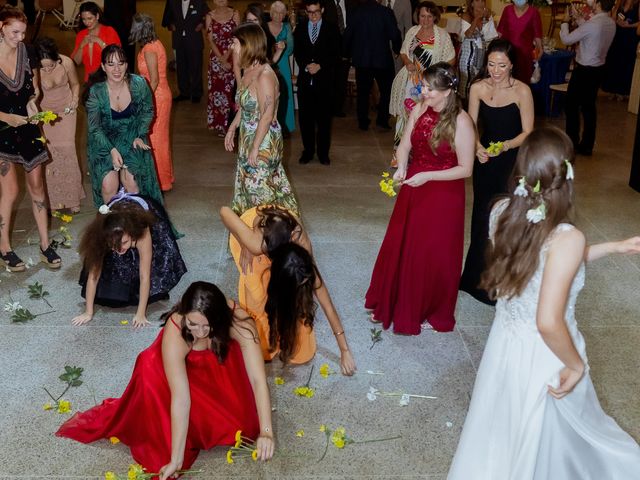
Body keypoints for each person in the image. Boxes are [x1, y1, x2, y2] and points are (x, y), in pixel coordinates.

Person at [447, 127, 640, 479]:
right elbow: (548, 321)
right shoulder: (567, 237)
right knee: (557, 433)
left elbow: (542, 262)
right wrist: (576, 364)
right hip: (545, 355)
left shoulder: (502, 211)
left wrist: (612, 247)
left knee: (504, 428)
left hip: (505, 345)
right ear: (567, 175)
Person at [59, 281, 274, 478]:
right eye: (193, 324)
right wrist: (176, 459)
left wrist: (267, 432)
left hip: (212, 367)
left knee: (245, 426)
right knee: (161, 442)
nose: (200, 332)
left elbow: (257, 378)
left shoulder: (240, 322)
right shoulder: (176, 329)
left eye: (207, 325)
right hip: (163, 373)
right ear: (184, 315)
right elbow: (181, 399)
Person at [365, 62, 475, 334]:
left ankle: (428, 307)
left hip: (444, 193)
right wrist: (402, 167)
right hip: (415, 184)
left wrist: (428, 176)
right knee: (404, 245)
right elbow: (404, 145)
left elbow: (466, 168)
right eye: (423, 86)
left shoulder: (461, 121)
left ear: (447, 91)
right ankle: (395, 300)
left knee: (431, 252)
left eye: (429, 88)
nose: (423, 92)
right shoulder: (420, 109)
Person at [220, 204, 357, 374]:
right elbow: (224, 211)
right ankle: (265, 337)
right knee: (257, 298)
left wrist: (344, 351)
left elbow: (327, 305)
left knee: (294, 306)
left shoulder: (302, 248)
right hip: (258, 236)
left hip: (281, 230)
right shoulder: (256, 245)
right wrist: (243, 241)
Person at [459, 38, 534, 306]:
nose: (496, 70)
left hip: (511, 161)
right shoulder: (478, 88)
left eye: (502, 65)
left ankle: (502, 280)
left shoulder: (522, 91)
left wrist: (504, 146)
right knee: (481, 214)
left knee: (505, 219)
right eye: (491, 64)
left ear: (512, 65)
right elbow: (471, 125)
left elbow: (527, 133)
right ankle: (474, 279)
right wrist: (478, 146)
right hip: (486, 161)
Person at [0, 7, 60, 272]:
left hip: (27, 127)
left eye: (23, 32)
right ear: (1, 26)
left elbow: (32, 91)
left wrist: (33, 106)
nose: (20, 37)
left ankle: (46, 244)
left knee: (37, 185)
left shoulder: (29, 51)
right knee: (10, 190)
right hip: (2, 129)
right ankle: (4, 248)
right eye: (15, 32)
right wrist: (5, 117)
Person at [72, 190, 186, 327]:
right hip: (115, 222)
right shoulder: (101, 236)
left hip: (143, 213)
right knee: (110, 268)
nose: (120, 249)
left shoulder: (142, 232)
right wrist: (88, 312)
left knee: (153, 264)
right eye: (114, 246)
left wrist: (140, 313)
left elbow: (144, 275)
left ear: (132, 235)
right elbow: (93, 277)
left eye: (124, 243)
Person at [225, 22, 299, 216]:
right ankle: (253, 233)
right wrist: (233, 127)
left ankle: (272, 235)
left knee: (261, 192)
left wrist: (256, 147)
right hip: (249, 137)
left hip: (264, 141)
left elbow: (267, 114)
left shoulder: (265, 75)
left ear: (248, 44)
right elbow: (247, 106)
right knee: (248, 189)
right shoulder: (248, 70)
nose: (232, 47)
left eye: (235, 43)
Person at [84, 45, 164, 209]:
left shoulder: (139, 83)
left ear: (127, 65)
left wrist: (140, 133)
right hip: (104, 140)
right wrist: (112, 150)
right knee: (108, 186)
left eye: (121, 63)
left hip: (132, 136)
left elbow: (148, 111)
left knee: (133, 183)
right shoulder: (96, 91)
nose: (116, 69)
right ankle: (111, 227)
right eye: (111, 64)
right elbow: (94, 128)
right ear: (103, 67)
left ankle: (135, 226)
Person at [389, 1, 455, 154]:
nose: (425, 20)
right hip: (411, 82)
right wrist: (407, 62)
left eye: (429, 16)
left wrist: (435, 72)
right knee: (406, 116)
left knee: (427, 117)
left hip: (430, 85)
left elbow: (451, 59)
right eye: (422, 16)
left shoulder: (443, 36)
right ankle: (401, 152)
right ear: (417, 16)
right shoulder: (412, 31)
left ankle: (422, 153)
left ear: (435, 17)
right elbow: (404, 51)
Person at [34, 37, 85, 214]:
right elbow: (34, 95)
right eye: (43, 67)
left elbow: (76, 84)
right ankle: (54, 200)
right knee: (50, 154)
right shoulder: (35, 69)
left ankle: (73, 197)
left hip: (66, 111)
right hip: (47, 114)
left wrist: (75, 99)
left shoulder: (67, 62)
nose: (47, 69)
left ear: (57, 59)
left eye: (51, 66)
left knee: (68, 150)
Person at [561, 0, 616, 156]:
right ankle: (587, 145)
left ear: (598, 3)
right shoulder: (610, 23)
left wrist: (565, 22)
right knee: (589, 107)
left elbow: (567, 39)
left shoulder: (593, 24)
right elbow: (589, 31)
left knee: (571, 105)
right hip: (599, 69)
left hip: (584, 70)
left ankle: (572, 142)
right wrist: (580, 19)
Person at [130, 13, 175, 193]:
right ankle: (165, 177)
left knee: (155, 139)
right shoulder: (156, 43)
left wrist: (143, 100)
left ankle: (160, 180)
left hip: (156, 96)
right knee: (160, 138)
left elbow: (154, 79)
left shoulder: (149, 49)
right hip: (160, 93)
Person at [293, 0, 341, 165]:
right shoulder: (300, 28)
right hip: (305, 81)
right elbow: (298, 52)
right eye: (309, 12)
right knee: (305, 120)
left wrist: (320, 65)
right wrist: (306, 66)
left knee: (324, 120)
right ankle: (307, 151)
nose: (313, 16)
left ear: (322, 10)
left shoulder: (332, 28)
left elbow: (336, 54)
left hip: (324, 81)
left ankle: (322, 153)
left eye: (316, 12)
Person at [344, 0, 402, 132]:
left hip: (362, 59)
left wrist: (346, 53)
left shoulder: (356, 12)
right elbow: (395, 34)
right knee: (386, 91)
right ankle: (382, 120)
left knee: (363, 92)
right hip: (382, 59)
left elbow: (348, 34)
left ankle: (363, 121)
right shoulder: (386, 12)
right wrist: (397, 49)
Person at [162, 0, 209, 103]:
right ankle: (184, 92)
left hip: (194, 40)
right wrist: (171, 25)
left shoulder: (199, 2)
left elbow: (208, 16)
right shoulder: (172, 2)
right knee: (181, 68)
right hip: (178, 40)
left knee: (196, 68)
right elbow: (166, 19)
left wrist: (202, 23)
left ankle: (197, 93)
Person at [206, 0, 240, 135]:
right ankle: (220, 124)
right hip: (216, 59)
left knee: (232, 91)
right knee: (218, 91)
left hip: (233, 55)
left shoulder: (235, 13)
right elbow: (210, 40)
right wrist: (221, 59)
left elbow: (238, 36)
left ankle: (232, 123)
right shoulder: (209, 15)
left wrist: (228, 55)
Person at [458, 0, 498, 100]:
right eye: (477, 0)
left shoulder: (488, 16)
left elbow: (491, 36)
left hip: (481, 52)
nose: (481, 2)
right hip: (468, 54)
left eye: (482, 0)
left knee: (479, 80)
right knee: (465, 81)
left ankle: (476, 104)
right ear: (472, 3)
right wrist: (477, 18)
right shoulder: (466, 16)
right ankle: (464, 106)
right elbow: (467, 34)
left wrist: (488, 19)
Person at [71, 2, 121, 82]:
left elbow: (117, 56)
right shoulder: (81, 35)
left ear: (97, 16)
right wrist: (81, 46)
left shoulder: (109, 31)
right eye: (84, 19)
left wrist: (99, 41)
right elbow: (76, 62)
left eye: (90, 18)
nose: (87, 22)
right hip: (89, 80)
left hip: (108, 79)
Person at [266, 1, 296, 134]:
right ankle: (267, 125)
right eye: (275, 13)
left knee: (285, 94)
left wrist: (283, 45)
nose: (278, 16)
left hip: (283, 64)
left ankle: (285, 126)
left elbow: (290, 49)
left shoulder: (287, 27)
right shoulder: (264, 27)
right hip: (268, 63)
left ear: (284, 15)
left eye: (281, 13)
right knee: (268, 94)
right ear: (271, 14)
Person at [496, 0, 542, 84]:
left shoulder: (534, 12)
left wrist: (540, 49)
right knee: (505, 83)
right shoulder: (507, 10)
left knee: (522, 85)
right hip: (507, 54)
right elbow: (500, 32)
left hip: (525, 57)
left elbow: (537, 35)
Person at [602, 0, 640, 100]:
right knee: (614, 61)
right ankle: (613, 90)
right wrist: (617, 19)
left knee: (626, 63)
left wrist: (628, 25)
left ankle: (623, 91)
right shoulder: (620, 2)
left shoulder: (638, 4)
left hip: (630, 37)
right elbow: (613, 17)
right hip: (617, 36)